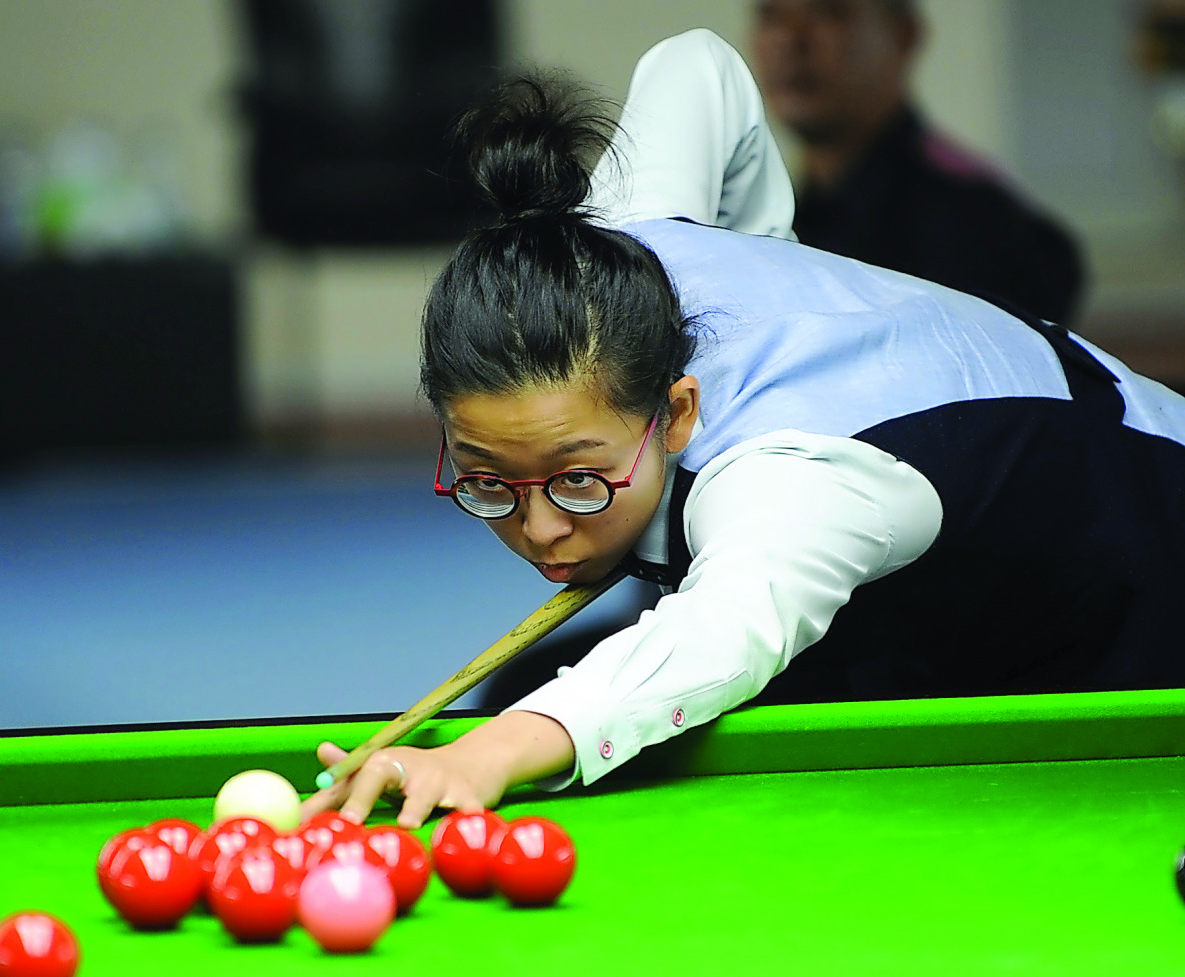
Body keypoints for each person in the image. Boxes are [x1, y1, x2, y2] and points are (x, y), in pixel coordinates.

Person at [301, 30, 1185, 829]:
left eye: (579, 478)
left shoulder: (794, 479)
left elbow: (721, 630)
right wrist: (769, 252)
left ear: (679, 411)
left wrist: (486, 750)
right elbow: (694, 66)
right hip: (947, 568)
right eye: (489, 481)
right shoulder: (608, 250)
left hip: (1142, 540)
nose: (538, 531)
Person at [749, 0, 1086, 325]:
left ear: (904, 34)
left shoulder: (981, 228)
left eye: (830, 11)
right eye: (771, 14)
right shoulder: (766, 225)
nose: (790, 39)